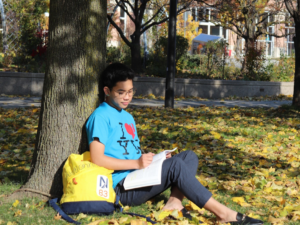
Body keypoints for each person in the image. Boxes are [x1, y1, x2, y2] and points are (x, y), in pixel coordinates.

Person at [85, 63, 263, 225]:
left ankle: (174, 203)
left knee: (189, 156)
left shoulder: (127, 116)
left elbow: (130, 151)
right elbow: (97, 158)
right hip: (121, 187)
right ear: (107, 91)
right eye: (121, 92)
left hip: (137, 175)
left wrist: (155, 159)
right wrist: (136, 164)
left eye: (131, 91)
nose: (127, 97)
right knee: (176, 165)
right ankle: (224, 213)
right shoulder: (100, 117)